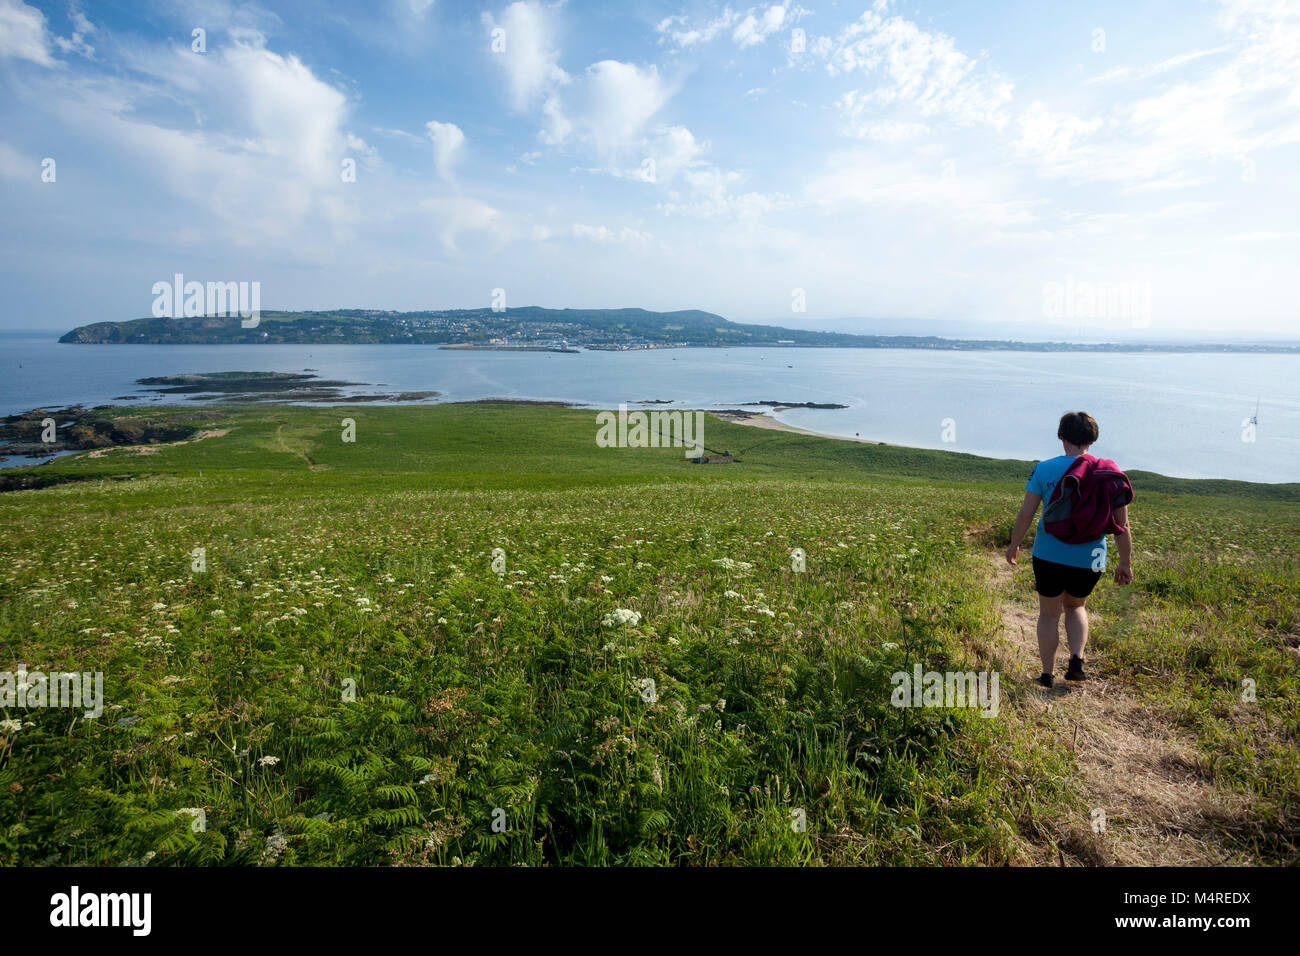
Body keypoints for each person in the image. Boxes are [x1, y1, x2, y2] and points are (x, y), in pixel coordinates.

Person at [1005, 411, 1133, 687]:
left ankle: (1047, 674)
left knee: (1049, 613)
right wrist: (1125, 562)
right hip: (1091, 557)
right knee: (1076, 606)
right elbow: (1122, 525)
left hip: (1048, 554)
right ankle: (1077, 659)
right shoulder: (1109, 473)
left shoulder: (1044, 469)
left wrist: (1014, 544)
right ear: (1092, 438)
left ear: (1061, 436)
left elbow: (1026, 513)